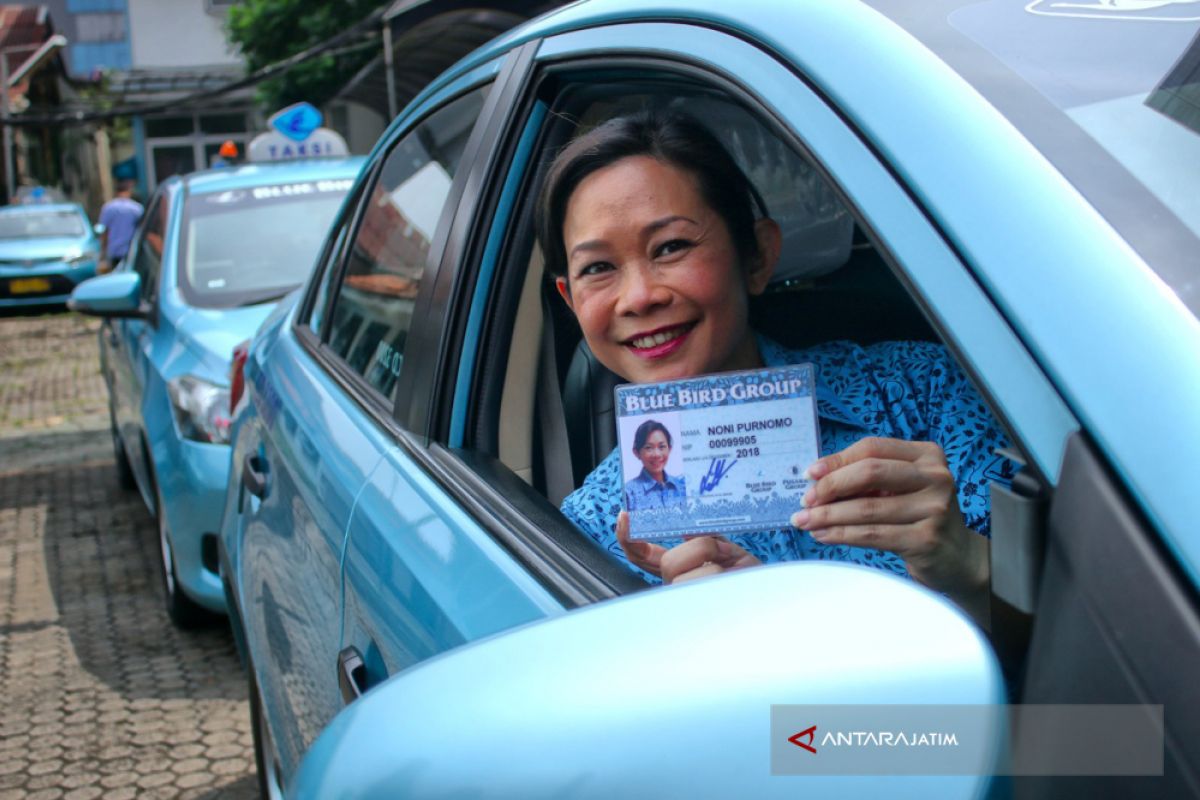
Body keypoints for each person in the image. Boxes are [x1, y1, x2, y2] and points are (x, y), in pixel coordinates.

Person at [537, 111, 1014, 627]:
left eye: (671, 247)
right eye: (598, 268)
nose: (639, 297)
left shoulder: (922, 393)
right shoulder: (587, 535)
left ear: (758, 255)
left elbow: (1079, 653)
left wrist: (969, 570)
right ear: (570, 300)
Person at [624, 419, 687, 510]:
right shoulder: (628, 493)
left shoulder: (681, 486)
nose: (657, 454)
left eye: (662, 447)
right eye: (649, 448)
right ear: (636, 452)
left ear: (669, 449)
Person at [98, 179, 143, 273]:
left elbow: (104, 231)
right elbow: (142, 229)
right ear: (129, 192)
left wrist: (102, 254)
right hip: (131, 251)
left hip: (115, 251)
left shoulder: (108, 208)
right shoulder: (136, 208)